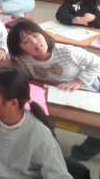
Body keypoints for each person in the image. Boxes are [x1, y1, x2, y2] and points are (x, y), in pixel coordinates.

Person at [8, 18, 100, 162]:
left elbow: (97, 63)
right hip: (52, 94)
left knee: (96, 128)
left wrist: (78, 81)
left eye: (35, 35)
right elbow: (27, 78)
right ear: (21, 50)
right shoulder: (24, 60)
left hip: (84, 89)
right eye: (26, 42)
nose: (35, 42)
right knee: (41, 121)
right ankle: (49, 150)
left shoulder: (66, 51)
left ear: (43, 33)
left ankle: (78, 156)